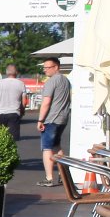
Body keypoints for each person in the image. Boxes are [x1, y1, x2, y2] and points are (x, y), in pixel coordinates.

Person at [35, 57, 72, 186]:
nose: (45, 70)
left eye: (47, 67)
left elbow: (46, 102)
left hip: (51, 118)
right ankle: (63, 174)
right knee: (56, 146)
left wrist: (40, 120)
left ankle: (49, 178)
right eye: (44, 67)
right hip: (63, 118)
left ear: (56, 67)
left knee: (47, 148)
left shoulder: (51, 82)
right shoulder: (66, 81)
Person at [0, 63, 28, 138]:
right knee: (13, 138)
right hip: (14, 113)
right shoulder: (21, 84)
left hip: (0, 113)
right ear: (16, 72)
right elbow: (24, 102)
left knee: (1, 138)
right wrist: (22, 111)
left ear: (6, 72)